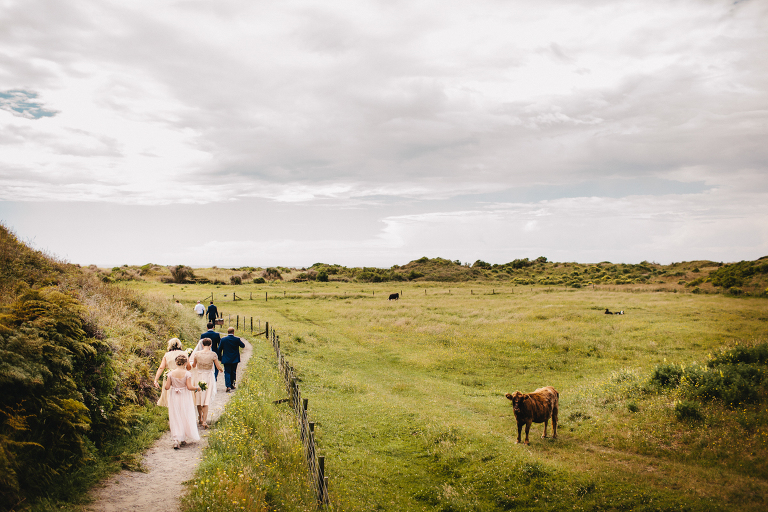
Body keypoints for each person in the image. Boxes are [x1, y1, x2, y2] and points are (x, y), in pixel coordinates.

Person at [165, 354, 201, 449]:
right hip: (185, 396)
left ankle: (177, 439)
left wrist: (170, 381)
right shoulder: (187, 374)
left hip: (174, 396)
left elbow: (167, 387)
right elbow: (189, 387)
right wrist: (197, 388)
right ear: (185, 363)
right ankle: (182, 437)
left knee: (175, 415)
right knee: (185, 414)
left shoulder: (170, 374)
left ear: (176, 363)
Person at [191, 338, 223, 428]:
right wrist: (221, 369)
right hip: (208, 377)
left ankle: (200, 418)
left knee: (199, 397)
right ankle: (204, 421)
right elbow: (218, 366)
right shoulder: (213, 354)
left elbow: (194, 365)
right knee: (206, 399)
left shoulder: (197, 354)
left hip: (199, 376)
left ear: (202, 345)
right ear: (210, 345)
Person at [153, 338, 192, 407]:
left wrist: (156, 380)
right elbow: (188, 367)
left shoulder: (167, 355)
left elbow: (161, 367)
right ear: (179, 345)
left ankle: (172, 414)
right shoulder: (184, 354)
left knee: (170, 398)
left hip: (169, 378)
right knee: (181, 398)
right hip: (181, 377)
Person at [218, 326, 245, 392]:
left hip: (226, 358)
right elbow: (243, 345)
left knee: (227, 372)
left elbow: (219, 349)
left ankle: (228, 386)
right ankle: (232, 384)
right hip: (235, 358)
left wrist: (220, 358)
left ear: (228, 332)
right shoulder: (237, 339)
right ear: (233, 332)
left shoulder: (223, 339)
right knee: (233, 372)